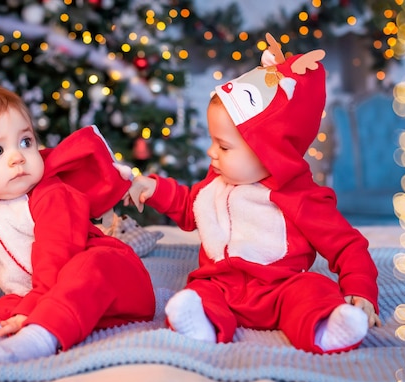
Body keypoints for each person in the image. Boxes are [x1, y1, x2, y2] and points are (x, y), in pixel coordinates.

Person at [126, 34, 380, 354]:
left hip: (280, 289)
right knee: (199, 290)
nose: (211, 153)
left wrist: (361, 290)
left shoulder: (300, 197)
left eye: (224, 146)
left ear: (267, 152)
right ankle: (203, 322)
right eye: (213, 141)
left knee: (313, 289)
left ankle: (328, 327)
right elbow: (192, 208)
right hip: (221, 285)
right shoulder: (216, 183)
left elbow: (346, 245)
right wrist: (155, 189)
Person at [0, 84, 156, 363]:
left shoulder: (52, 195)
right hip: (51, 294)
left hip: (115, 284)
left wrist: (33, 308)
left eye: (25, 142)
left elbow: (56, 257)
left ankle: (40, 336)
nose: (17, 156)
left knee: (86, 266)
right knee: (9, 301)